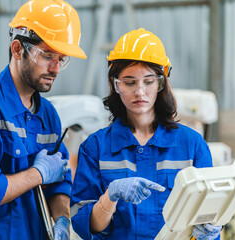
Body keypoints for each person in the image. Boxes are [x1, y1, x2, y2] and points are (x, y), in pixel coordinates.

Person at [0, 0, 86, 239]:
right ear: (18, 49)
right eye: (48, 55)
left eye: (61, 59)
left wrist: (61, 218)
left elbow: (59, 182)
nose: (56, 68)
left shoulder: (47, 115)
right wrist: (37, 174)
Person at [70, 28, 222, 239]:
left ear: (162, 82)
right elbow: (83, 224)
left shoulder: (192, 145)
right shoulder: (95, 148)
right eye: (129, 82)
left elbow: (209, 212)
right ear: (115, 85)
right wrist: (109, 198)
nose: (139, 92)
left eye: (148, 81)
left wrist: (211, 231)